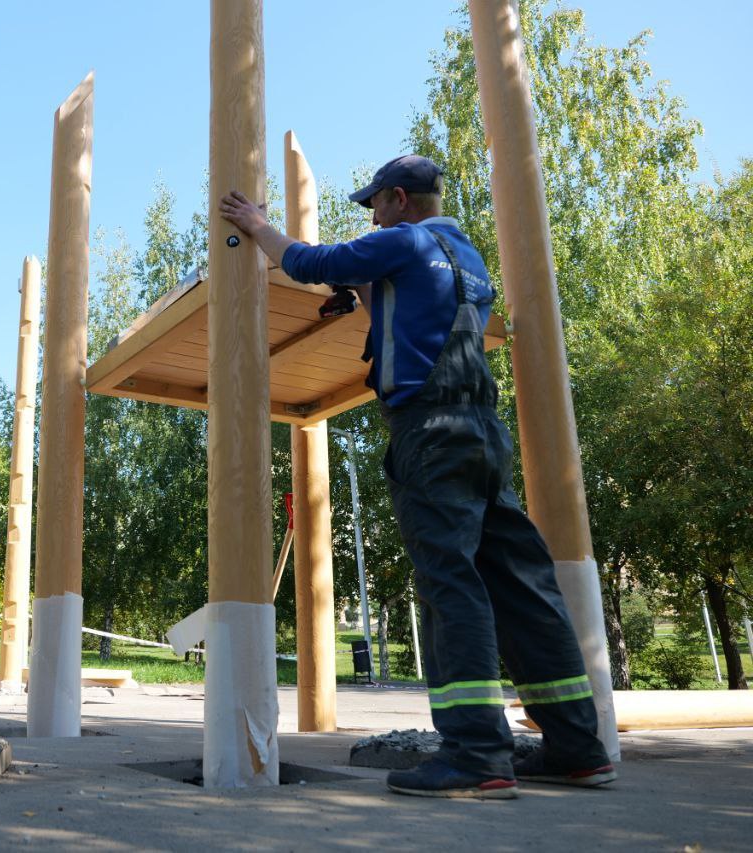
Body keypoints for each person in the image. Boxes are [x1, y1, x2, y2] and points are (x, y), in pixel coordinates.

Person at [219, 154, 614, 800]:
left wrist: (261, 225)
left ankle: (475, 754)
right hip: (483, 432)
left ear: (398, 199)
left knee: (448, 583)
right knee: (522, 587)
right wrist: (366, 292)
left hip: (429, 432)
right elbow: (414, 313)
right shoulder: (465, 255)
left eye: (374, 204)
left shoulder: (398, 239)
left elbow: (308, 264)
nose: (371, 215)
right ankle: (577, 747)